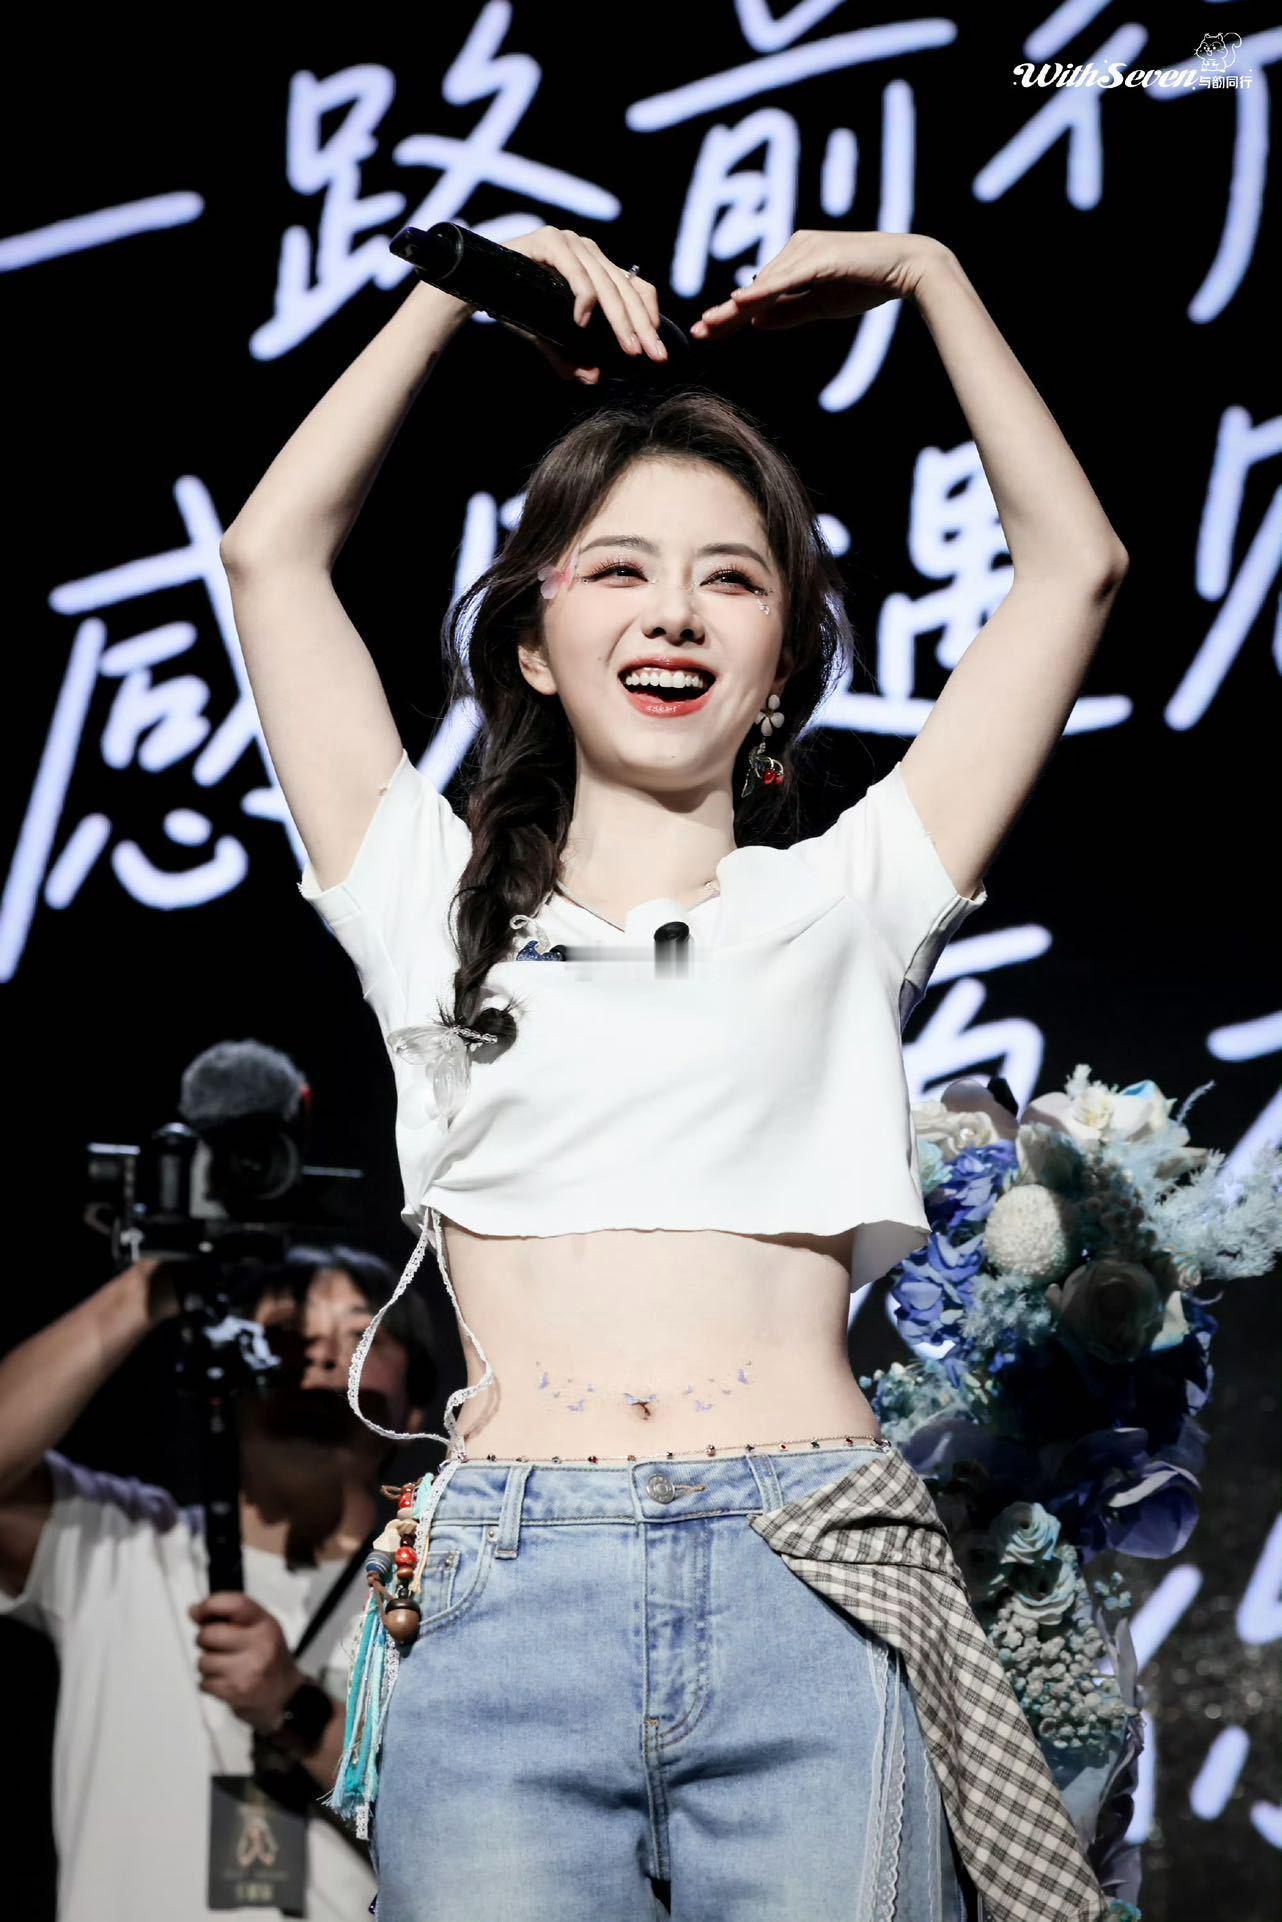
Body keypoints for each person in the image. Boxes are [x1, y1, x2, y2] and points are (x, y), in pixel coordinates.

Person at [219, 227, 1130, 1921]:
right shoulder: (427, 900)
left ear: (779, 661)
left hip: (815, 1576)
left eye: (730, 578)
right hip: (505, 1586)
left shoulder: (848, 895)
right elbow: (270, 556)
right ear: (534, 640)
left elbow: (1072, 565)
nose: (673, 611)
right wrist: (455, 283)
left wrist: (929, 277)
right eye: (619, 568)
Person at [0, 1239, 436, 1922]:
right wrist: (147, 1289)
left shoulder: (443, 1593)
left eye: (361, 1335)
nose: (321, 1355)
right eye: (287, 1332)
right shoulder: (123, 1545)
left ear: (413, 1410)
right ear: (224, 1379)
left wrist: (296, 1710)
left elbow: (474, 1828)